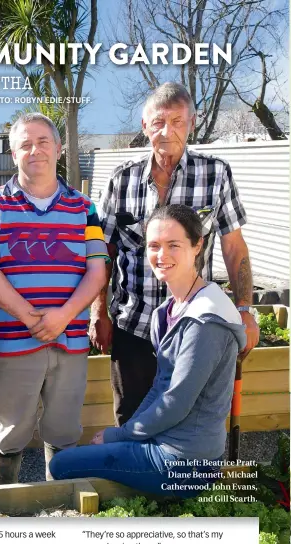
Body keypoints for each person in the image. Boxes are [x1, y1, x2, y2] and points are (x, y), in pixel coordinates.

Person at [92, 82, 259, 426]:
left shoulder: (215, 174)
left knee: (190, 422)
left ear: (192, 123)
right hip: (133, 325)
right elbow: (103, 250)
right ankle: (133, 482)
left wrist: (243, 309)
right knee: (132, 421)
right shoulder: (121, 179)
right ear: (144, 126)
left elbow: (233, 246)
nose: (167, 131)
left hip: (195, 328)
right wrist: (99, 313)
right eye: (158, 122)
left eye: (177, 121)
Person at [50, 204, 246, 495]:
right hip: (165, 443)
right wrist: (127, 435)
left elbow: (176, 402)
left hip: (187, 461)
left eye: (173, 245)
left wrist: (120, 434)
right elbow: (159, 388)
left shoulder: (206, 321)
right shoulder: (167, 312)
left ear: (197, 246)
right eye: (154, 245)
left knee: (62, 465)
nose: (161, 255)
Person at [0, 113, 110, 484]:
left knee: (64, 432)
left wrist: (63, 317)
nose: (36, 150)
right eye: (25, 144)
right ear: (13, 154)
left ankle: (59, 509)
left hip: (71, 343)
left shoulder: (84, 207)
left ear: (59, 149)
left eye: (43, 142)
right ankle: (3, 513)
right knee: (10, 433)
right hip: (15, 344)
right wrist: (33, 319)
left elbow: (97, 271)